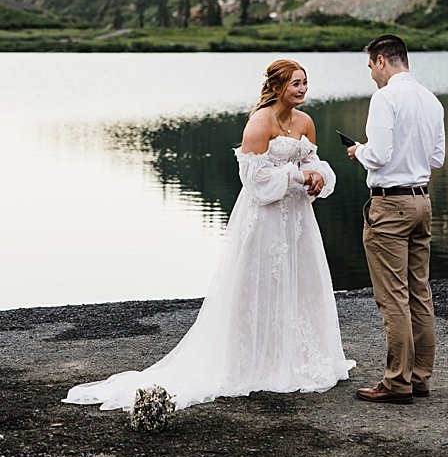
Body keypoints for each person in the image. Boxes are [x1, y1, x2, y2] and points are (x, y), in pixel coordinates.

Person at [66, 60, 353, 411]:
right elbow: (256, 182)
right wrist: (295, 178)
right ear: (277, 88)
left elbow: (311, 160)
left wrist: (317, 174)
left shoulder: (306, 122)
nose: (303, 89)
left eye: (305, 82)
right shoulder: (259, 123)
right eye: (296, 83)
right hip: (263, 218)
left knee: (299, 282)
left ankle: (295, 356)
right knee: (259, 283)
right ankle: (253, 358)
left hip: (296, 218)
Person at [346, 34, 445, 405]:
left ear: (382, 60)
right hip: (422, 202)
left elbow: (382, 154)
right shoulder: (431, 100)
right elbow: (436, 159)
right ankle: (421, 378)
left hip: (390, 206)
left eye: (371, 65)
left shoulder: (385, 98)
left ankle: (397, 382)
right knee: (420, 292)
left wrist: (360, 151)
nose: (371, 73)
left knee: (392, 298)